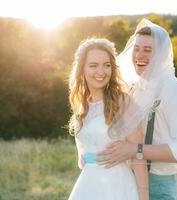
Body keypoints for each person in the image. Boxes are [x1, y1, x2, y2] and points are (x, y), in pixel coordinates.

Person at [98, 19, 177, 200]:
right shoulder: (134, 89)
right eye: (137, 48)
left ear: (162, 55)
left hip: (160, 187)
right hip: (127, 181)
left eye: (148, 50)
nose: (139, 55)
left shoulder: (173, 92)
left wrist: (134, 149)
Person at [67, 38, 149, 200]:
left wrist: (143, 196)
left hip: (117, 186)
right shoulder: (82, 106)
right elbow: (82, 158)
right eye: (93, 65)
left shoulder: (122, 101)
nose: (101, 71)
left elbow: (139, 154)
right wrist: (89, 158)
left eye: (107, 65)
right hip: (88, 185)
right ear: (81, 70)